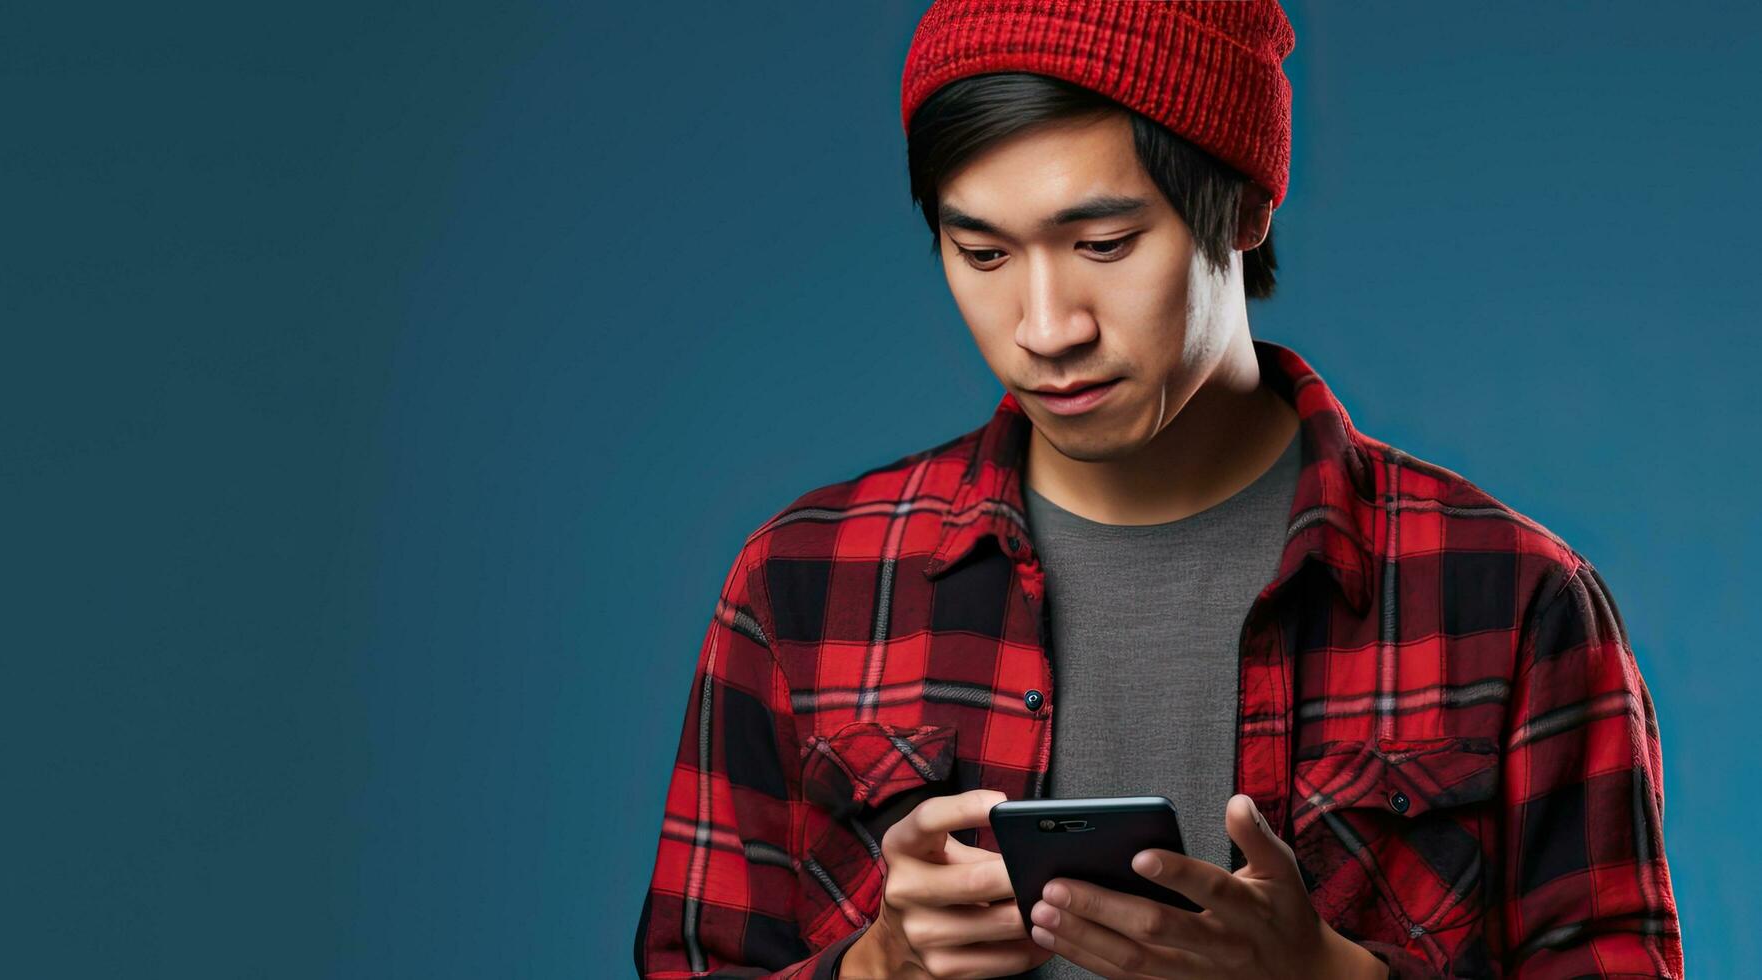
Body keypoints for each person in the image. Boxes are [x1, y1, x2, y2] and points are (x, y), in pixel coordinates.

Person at [630, 2, 1683, 978]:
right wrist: (873, 967)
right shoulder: (802, 582)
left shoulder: (1512, 600)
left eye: (1102, 244)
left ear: (1241, 208)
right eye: (981, 251)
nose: (1045, 328)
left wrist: (1330, 976)